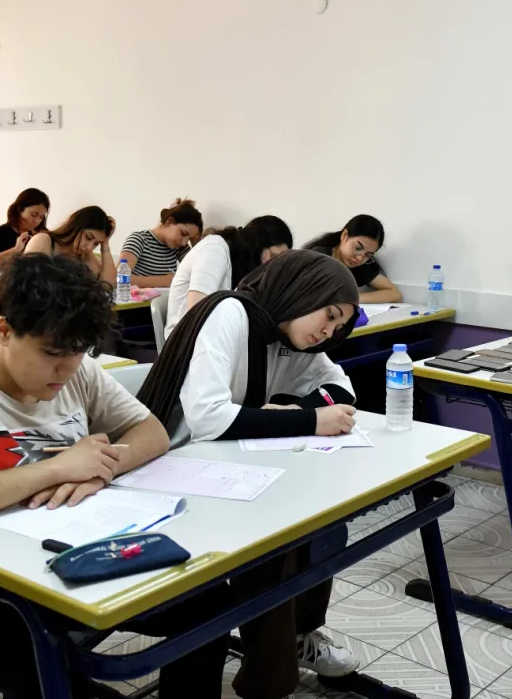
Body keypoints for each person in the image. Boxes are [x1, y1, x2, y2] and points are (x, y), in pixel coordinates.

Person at [0, 253, 230, 697]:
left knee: (208, 602)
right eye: (51, 354)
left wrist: (100, 468)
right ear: (4, 330)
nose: (66, 369)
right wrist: (56, 468)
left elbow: (152, 433)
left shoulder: (75, 369)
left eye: (78, 352)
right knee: (67, 680)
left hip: (66, 558)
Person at [137, 250, 361, 698]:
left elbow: (341, 388)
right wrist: (308, 420)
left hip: (226, 468)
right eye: (329, 315)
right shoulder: (230, 313)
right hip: (172, 470)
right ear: (304, 292)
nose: (328, 331)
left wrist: (292, 411)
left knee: (318, 517)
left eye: (338, 327)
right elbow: (208, 419)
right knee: (276, 543)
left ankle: (299, 636)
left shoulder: (290, 337)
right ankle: (270, 678)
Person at [164, 215, 293, 339]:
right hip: (185, 344)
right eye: (273, 257)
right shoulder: (214, 248)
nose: (274, 266)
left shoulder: (239, 268)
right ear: (257, 245)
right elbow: (198, 313)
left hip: (207, 340)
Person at [303, 215, 402, 303]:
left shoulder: (359, 264)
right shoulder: (319, 256)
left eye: (368, 254)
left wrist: (353, 298)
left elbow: (395, 294)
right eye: (358, 248)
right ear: (344, 236)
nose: (360, 258)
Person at [119, 197, 203, 288]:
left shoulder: (179, 247)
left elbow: (200, 273)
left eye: (189, 239)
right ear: (169, 221)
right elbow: (119, 278)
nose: (184, 242)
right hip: (138, 297)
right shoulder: (139, 240)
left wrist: (196, 243)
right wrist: (164, 281)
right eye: (183, 233)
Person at [24, 205, 117, 285]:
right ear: (76, 226)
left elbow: (107, 286)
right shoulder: (44, 240)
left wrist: (105, 244)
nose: (89, 247)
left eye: (96, 244)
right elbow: (30, 282)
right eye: (88, 237)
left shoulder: (85, 255)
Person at [0, 188, 49, 269]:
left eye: (41, 217)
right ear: (19, 209)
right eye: (34, 215)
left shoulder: (41, 235)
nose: (37, 221)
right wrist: (16, 250)